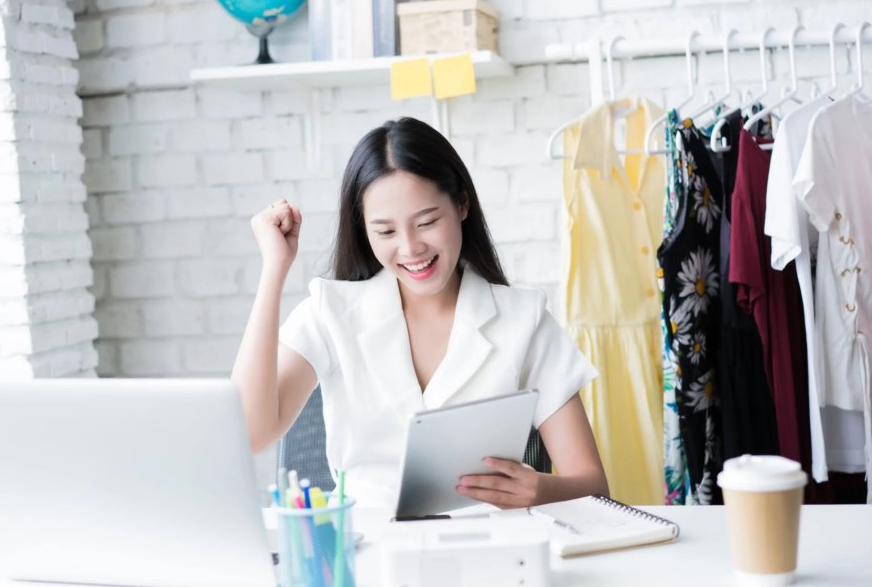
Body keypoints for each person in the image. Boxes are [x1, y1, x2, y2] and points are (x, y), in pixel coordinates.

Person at [231, 116, 608, 509]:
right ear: (364, 230)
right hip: (368, 550)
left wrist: (540, 491)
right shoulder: (331, 312)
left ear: (462, 203)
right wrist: (274, 267)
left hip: (487, 549)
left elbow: (593, 485)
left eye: (427, 222)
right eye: (386, 232)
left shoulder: (524, 320)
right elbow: (250, 433)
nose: (411, 248)